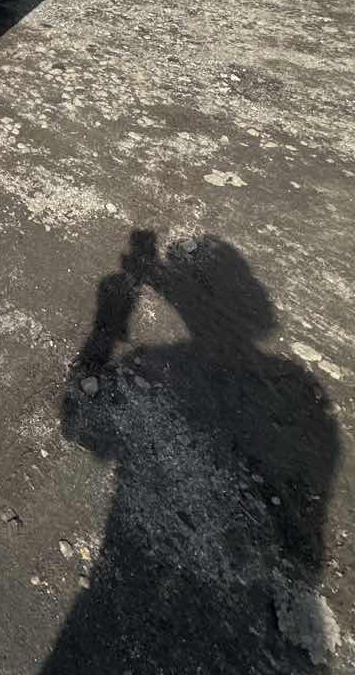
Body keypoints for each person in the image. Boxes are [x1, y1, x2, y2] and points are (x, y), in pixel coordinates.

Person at [44, 231, 340, 674]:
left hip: (137, 603)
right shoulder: (301, 386)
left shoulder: (168, 363)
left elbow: (79, 426)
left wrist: (108, 319)